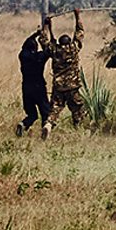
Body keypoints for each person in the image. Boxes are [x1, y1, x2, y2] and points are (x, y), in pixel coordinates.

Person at [40, 8, 85, 139]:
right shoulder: (74, 48)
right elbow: (79, 32)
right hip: (73, 85)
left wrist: (47, 26)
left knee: (55, 108)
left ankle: (48, 124)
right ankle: (78, 131)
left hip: (58, 86)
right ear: (68, 42)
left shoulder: (54, 50)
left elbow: (43, 40)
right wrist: (77, 16)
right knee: (77, 110)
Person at [16, 28, 51, 137]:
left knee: (32, 114)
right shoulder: (39, 57)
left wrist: (36, 34)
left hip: (26, 87)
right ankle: (44, 129)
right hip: (39, 86)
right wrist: (46, 31)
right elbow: (48, 50)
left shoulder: (23, 56)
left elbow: (25, 44)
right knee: (45, 111)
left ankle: (23, 124)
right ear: (36, 48)